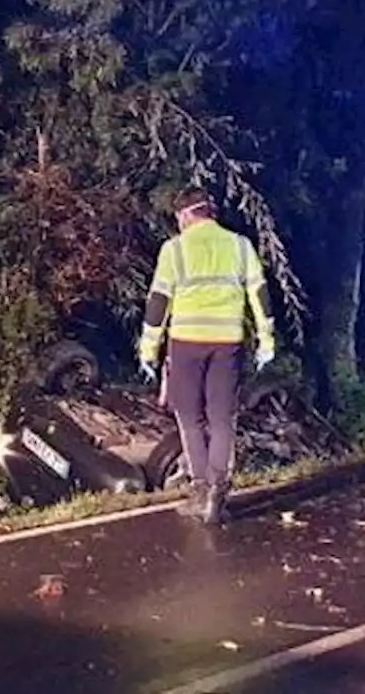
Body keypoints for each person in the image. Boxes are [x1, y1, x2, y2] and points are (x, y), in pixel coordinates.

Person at [137, 187, 276, 524]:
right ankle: (218, 490)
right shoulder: (240, 246)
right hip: (227, 343)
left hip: (186, 344)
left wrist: (148, 348)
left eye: (178, 218)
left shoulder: (175, 249)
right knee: (221, 418)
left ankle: (199, 490)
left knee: (190, 419)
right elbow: (259, 293)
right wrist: (266, 340)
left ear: (186, 215)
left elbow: (159, 302)